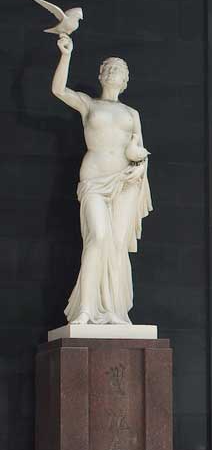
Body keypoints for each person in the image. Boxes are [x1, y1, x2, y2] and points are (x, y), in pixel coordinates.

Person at [51, 34, 152, 325]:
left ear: (125, 81)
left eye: (118, 71)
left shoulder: (132, 113)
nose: (112, 73)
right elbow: (59, 89)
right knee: (98, 238)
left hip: (126, 181)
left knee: (117, 244)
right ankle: (86, 308)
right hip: (95, 177)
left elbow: (139, 149)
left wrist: (140, 166)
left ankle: (113, 310)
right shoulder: (89, 105)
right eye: (108, 68)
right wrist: (66, 54)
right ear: (100, 75)